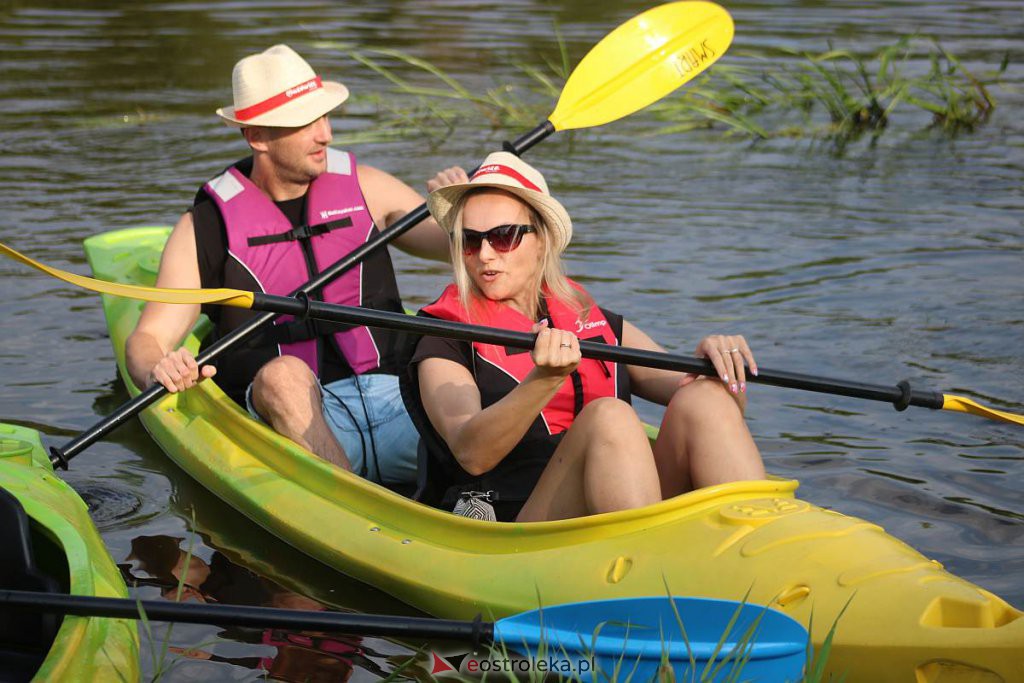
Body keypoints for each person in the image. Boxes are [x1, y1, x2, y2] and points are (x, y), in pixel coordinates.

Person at [125, 44, 467, 486]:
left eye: (324, 116)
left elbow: (457, 250)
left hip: (399, 401)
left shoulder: (366, 187)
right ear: (257, 136)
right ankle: (352, 507)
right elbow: (147, 339)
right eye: (305, 122)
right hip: (291, 422)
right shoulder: (204, 228)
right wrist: (159, 367)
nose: (325, 134)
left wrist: (467, 216)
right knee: (284, 376)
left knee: (456, 343)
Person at [402, 152, 767, 522]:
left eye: (504, 237)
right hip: (515, 522)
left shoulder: (586, 317)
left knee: (704, 394)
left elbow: (717, 410)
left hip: (618, 498)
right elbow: (471, 454)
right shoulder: (443, 337)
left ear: (542, 239)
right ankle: (646, 562)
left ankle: (758, 533)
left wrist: (722, 367)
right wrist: (544, 379)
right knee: (609, 416)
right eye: (470, 239)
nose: (484, 254)